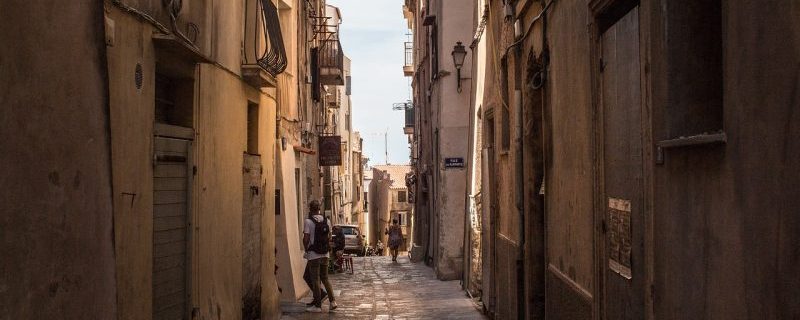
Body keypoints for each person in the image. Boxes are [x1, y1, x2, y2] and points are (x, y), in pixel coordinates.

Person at [302, 200, 337, 312]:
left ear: (310, 209)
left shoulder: (308, 221)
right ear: (319, 209)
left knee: (315, 280)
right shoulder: (327, 221)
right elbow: (330, 237)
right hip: (325, 254)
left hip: (314, 255)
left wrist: (307, 249)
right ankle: (333, 302)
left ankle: (317, 305)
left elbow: (306, 239)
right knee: (325, 278)